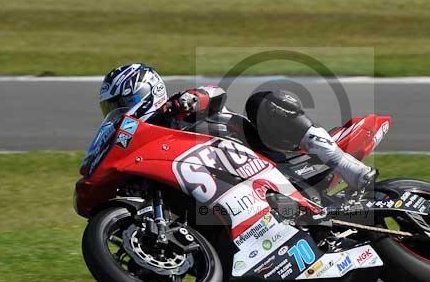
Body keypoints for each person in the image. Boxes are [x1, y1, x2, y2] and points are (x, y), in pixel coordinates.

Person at [98, 63, 377, 191]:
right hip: (232, 188)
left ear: (147, 91)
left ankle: (347, 166)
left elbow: (214, 94)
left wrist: (192, 99)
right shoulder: (146, 141)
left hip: (270, 159)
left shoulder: (177, 107)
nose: (118, 112)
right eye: (111, 109)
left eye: (122, 103)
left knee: (263, 101)